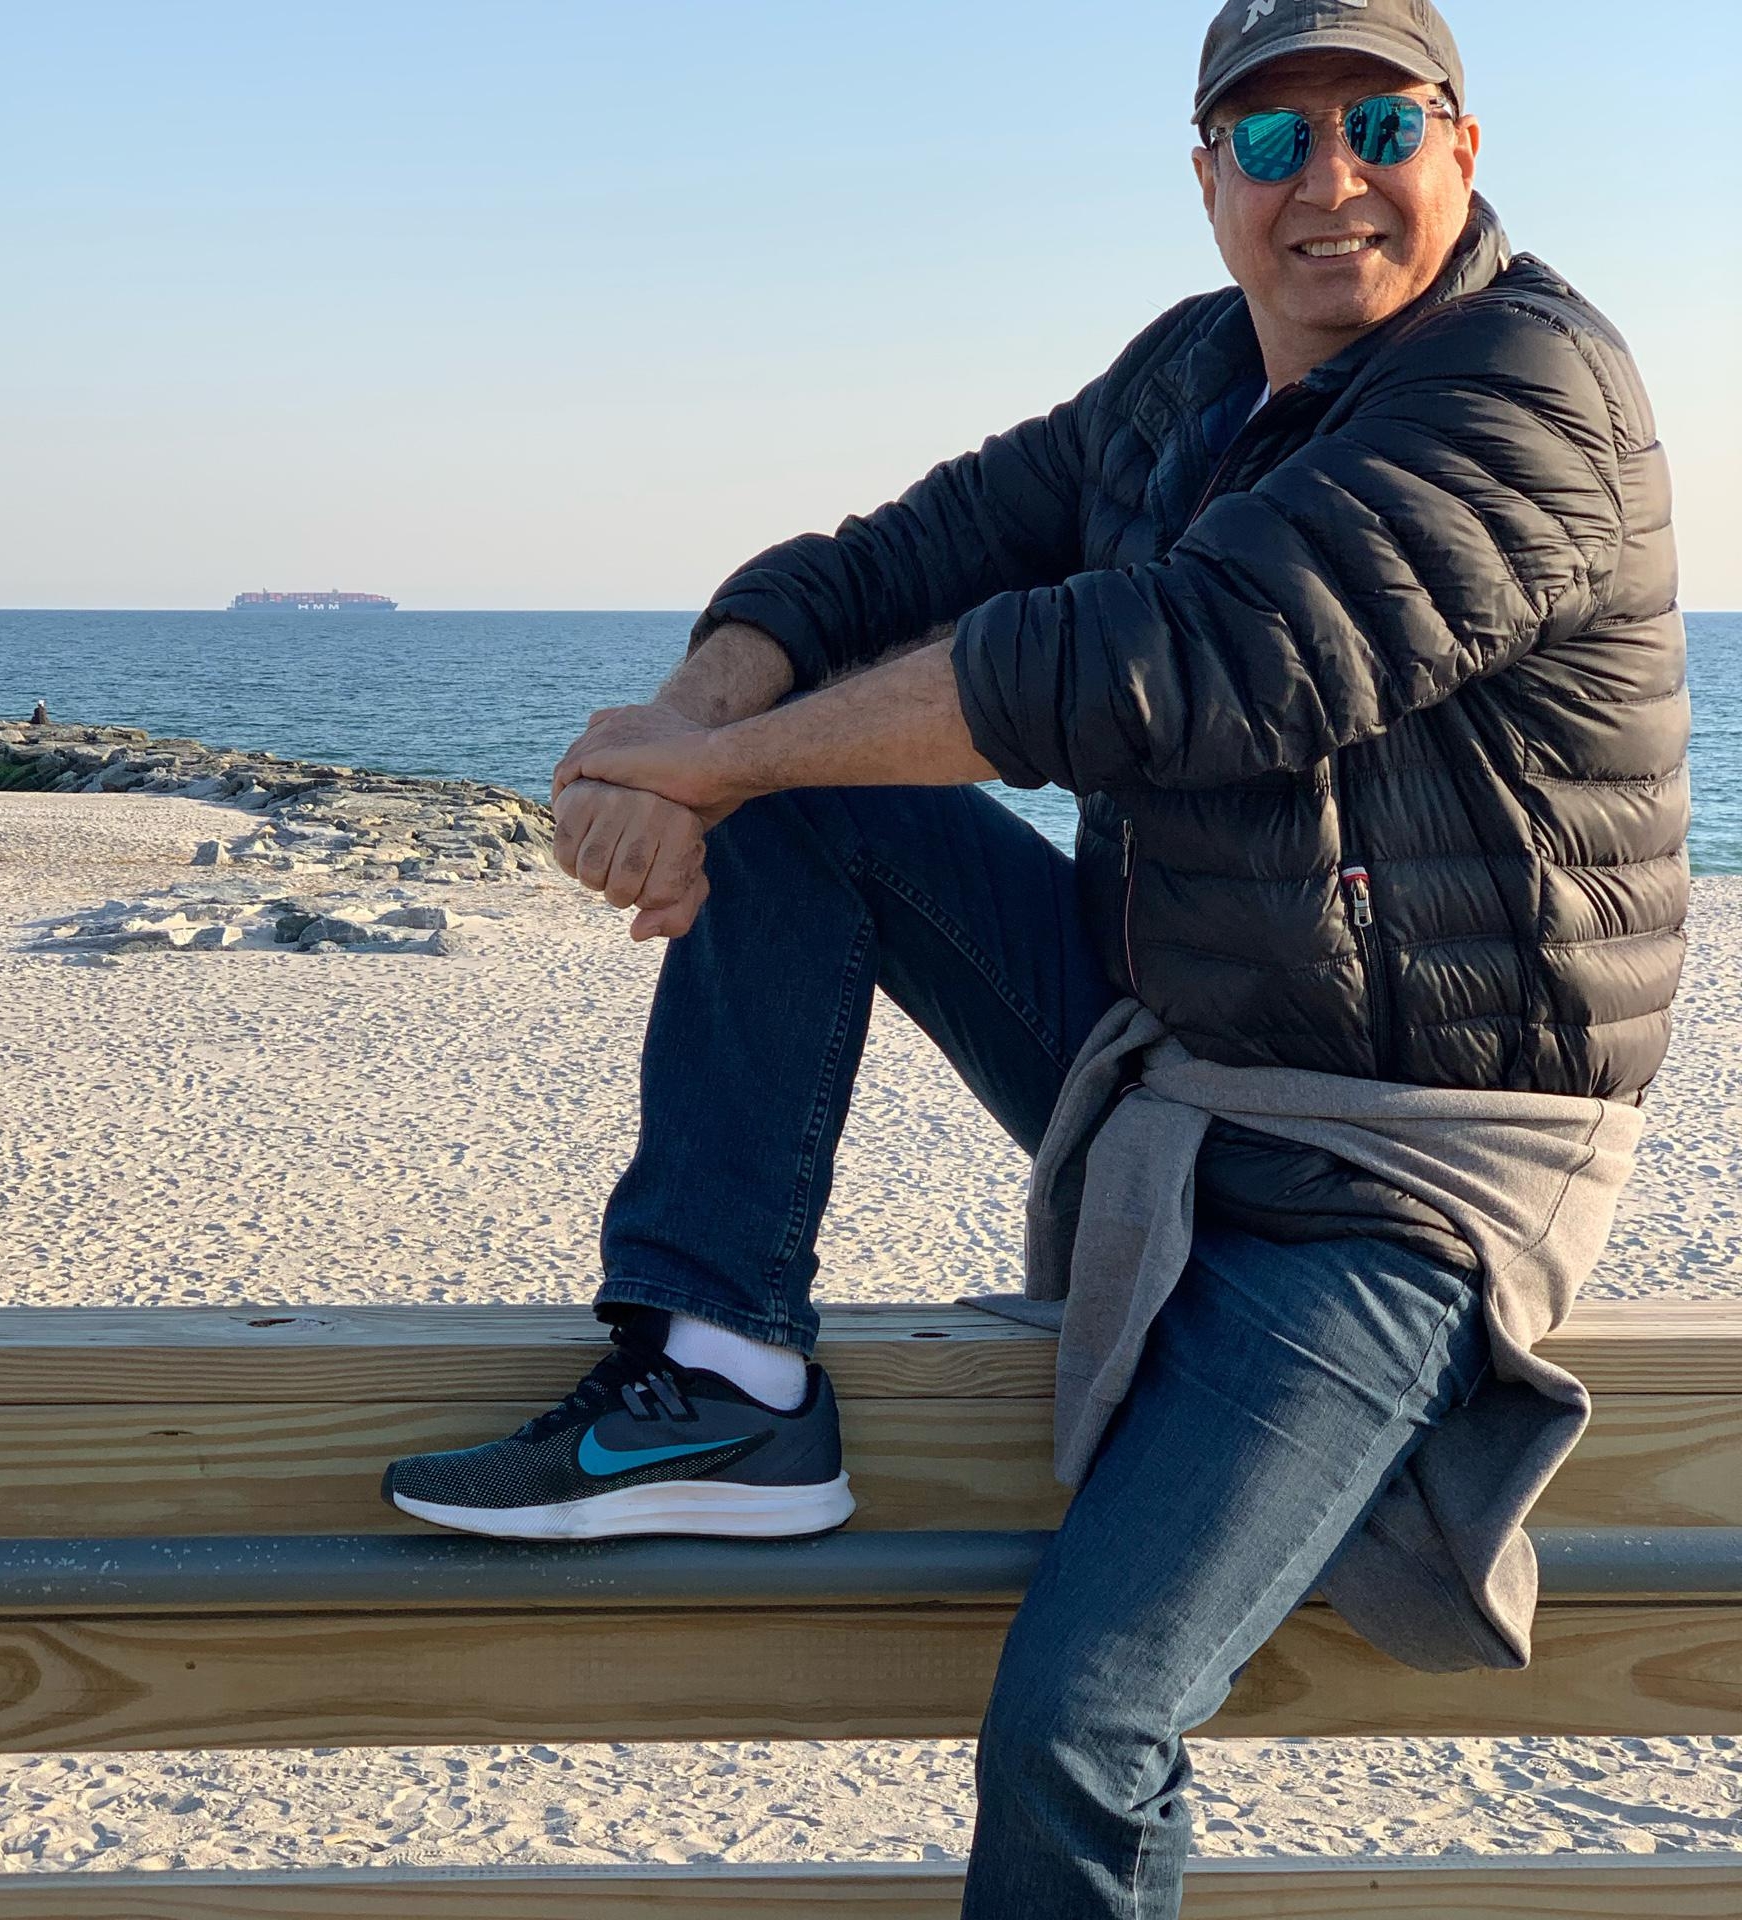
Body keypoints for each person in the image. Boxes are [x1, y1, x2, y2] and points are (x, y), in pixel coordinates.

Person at [384, 0, 1687, 1911]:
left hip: (1401, 1177)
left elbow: (1179, 659)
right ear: (1208, 181)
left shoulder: (1531, 388)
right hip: (1181, 1052)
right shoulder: (1185, 378)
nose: (1327, 180)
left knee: (1084, 1724)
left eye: (1379, 125)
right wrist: (684, 730)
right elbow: (893, 562)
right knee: (811, 804)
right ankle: (723, 1375)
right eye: (1271, 140)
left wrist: (716, 766)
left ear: (1463, 149)